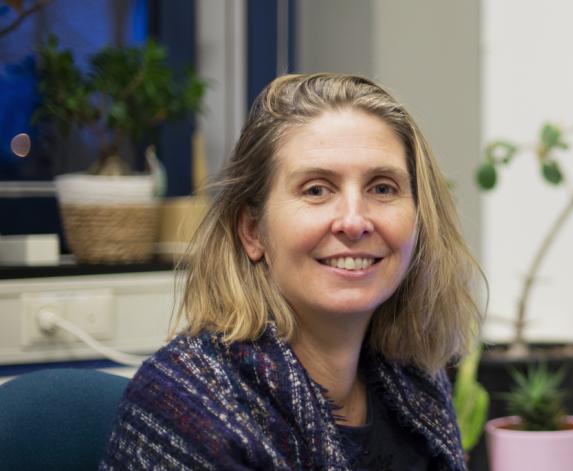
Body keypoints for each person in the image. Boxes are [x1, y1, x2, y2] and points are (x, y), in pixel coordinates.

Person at [100, 73, 482, 470]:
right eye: (317, 189)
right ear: (252, 231)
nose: (354, 221)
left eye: (382, 188)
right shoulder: (188, 405)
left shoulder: (416, 380)